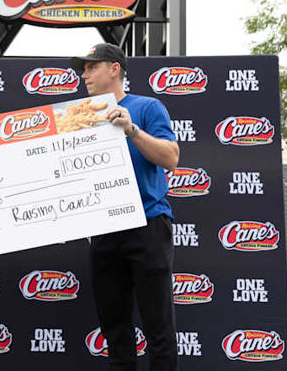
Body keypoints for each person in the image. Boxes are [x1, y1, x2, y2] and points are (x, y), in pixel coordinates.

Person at [72, 43, 181, 371]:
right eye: (84, 68)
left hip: (147, 224)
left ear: (114, 69)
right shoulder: (79, 116)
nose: (84, 74)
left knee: (158, 325)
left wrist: (131, 130)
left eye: (92, 67)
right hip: (105, 230)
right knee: (115, 328)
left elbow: (171, 158)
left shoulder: (147, 106)